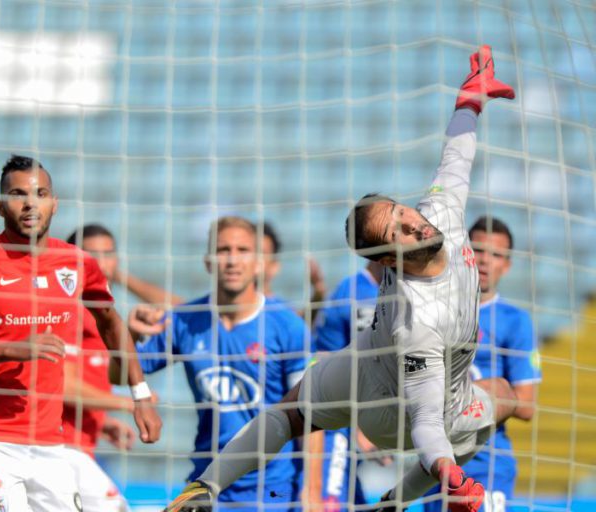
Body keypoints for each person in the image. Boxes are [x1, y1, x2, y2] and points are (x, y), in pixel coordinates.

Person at [163, 45, 518, 512]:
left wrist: (470, 99)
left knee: (288, 413)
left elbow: (455, 160)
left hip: (360, 359)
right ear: (387, 262)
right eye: (397, 231)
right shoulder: (420, 321)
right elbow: (426, 423)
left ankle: (203, 487)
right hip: (389, 411)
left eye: (401, 210)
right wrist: (449, 474)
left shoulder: (439, 213)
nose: (413, 223)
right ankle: (399, 500)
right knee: (503, 398)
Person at [0, 156, 162, 511]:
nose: (31, 202)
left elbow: (112, 323)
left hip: (49, 441)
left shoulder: (77, 263)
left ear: (54, 202)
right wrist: (11, 349)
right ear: (1, 206)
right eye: (18, 194)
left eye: (41, 193)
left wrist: (140, 394)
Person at [128, 216, 310, 511]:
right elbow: (120, 371)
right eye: (223, 250)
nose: (232, 260)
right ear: (208, 261)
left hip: (271, 490)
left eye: (242, 250)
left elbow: (310, 412)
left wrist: (310, 490)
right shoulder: (186, 320)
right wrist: (129, 335)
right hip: (205, 483)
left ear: (260, 262)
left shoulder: (288, 326)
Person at [422, 217, 540, 512]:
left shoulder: (515, 321)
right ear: (463, 253)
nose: (485, 261)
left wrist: (462, 395)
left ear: (507, 265)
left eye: (496, 254)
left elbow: (526, 406)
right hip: (432, 465)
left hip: (485, 465)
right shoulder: (433, 313)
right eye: (478, 249)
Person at [63, 224, 143, 512]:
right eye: (91, 254)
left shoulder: (101, 314)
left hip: (79, 446)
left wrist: (101, 421)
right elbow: (60, 385)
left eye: (108, 254)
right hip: (57, 448)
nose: (100, 262)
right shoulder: (66, 310)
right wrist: (131, 403)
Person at [313, 261, 388, 509]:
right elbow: (322, 368)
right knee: (330, 502)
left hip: (388, 423)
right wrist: (357, 424)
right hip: (342, 425)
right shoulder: (349, 292)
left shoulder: (417, 292)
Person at [68, 223, 184, 306]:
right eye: (93, 256)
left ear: (117, 259)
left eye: (108, 255)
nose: (102, 264)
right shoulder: (62, 312)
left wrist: (117, 275)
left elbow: (182, 309)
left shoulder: (118, 320)